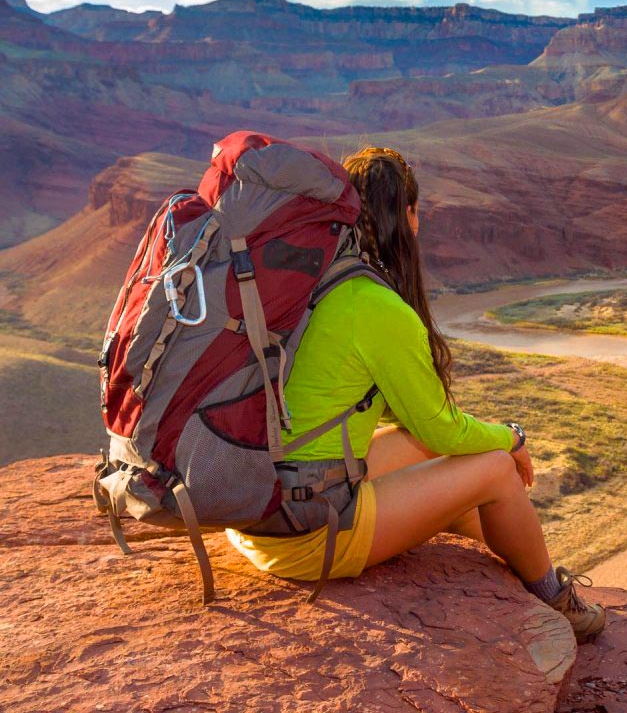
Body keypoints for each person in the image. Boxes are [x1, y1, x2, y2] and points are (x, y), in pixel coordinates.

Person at [225, 146, 606, 642]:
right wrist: (511, 437)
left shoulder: (307, 281)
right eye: (415, 210)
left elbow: (417, 425)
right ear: (405, 217)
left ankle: (501, 563)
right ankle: (554, 601)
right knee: (494, 468)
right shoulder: (375, 306)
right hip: (306, 533)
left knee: (418, 450)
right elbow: (441, 428)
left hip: (256, 507)